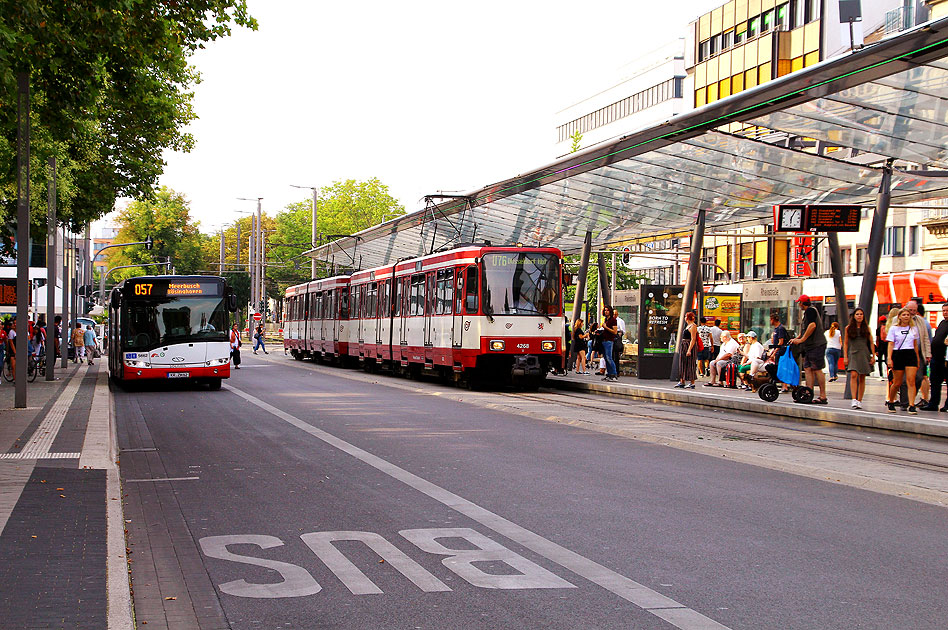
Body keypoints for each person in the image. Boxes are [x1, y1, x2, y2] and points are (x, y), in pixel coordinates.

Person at [789, 295, 828, 404]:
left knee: (817, 368)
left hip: (816, 344)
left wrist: (802, 340)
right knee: (807, 368)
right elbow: (805, 329)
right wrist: (797, 338)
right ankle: (808, 393)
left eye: (799, 303)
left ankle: (823, 396)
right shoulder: (808, 313)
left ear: (802, 303)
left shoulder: (810, 311)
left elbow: (812, 326)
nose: (799, 305)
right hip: (810, 346)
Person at [886, 308, 921, 414]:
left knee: (911, 381)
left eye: (908, 315)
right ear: (899, 317)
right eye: (904, 315)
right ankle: (891, 400)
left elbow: (915, 344)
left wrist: (917, 358)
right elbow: (891, 344)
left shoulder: (913, 328)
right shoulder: (894, 329)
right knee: (897, 382)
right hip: (898, 353)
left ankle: (911, 405)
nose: (906, 316)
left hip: (910, 354)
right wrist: (889, 357)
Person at [842, 308, 874, 409]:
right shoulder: (848, 328)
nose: (859, 316)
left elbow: (871, 342)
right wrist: (845, 356)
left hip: (864, 353)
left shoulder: (867, 328)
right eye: (857, 314)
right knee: (853, 374)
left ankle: (860, 399)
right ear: (854, 316)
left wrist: (873, 355)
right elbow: (846, 343)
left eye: (861, 314)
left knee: (862, 376)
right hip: (853, 353)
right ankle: (854, 399)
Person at [920, 303, 948, 412]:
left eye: (947, 311)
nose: (945, 313)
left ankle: (947, 405)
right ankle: (933, 403)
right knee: (935, 381)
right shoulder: (942, 323)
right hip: (936, 357)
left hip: (945, 358)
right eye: (944, 311)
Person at [905, 299, 932, 407]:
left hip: (918, 354)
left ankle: (910, 398)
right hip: (903, 354)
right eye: (910, 310)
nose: (912, 312)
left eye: (914, 310)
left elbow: (926, 338)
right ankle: (905, 401)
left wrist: (928, 354)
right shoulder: (898, 320)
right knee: (902, 380)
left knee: (919, 377)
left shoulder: (921, 321)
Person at [675, 311, 698, 389]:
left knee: (690, 364)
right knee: (683, 363)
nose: (684, 318)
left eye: (685, 316)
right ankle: (682, 381)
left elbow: (693, 339)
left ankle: (692, 382)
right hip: (684, 345)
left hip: (688, 346)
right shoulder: (688, 326)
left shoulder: (693, 326)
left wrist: (689, 350)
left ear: (687, 318)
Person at [768, 312, 790, 392]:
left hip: (781, 352)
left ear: (773, 319)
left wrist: (774, 352)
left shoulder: (780, 328)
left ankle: (785, 386)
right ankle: (782, 385)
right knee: (778, 368)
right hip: (777, 351)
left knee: (782, 368)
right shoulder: (776, 329)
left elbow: (781, 342)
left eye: (770, 319)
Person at [600, 306, 619, 382]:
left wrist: (605, 327)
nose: (606, 312)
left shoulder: (613, 320)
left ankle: (614, 374)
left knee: (609, 358)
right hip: (604, 340)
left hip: (609, 341)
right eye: (605, 310)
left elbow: (615, 331)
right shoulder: (606, 319)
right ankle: (609, 374)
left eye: (607, 310)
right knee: (606, 358)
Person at [612, 307, 625, 371]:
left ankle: (616, 371)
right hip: (611, 339)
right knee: (611, 356)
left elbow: (623, 331)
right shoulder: (610, 320)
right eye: (613, 314)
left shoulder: (620, 321)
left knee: (616, 356)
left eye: (615, 314)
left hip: (616, 340)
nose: (614, 315)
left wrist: (619, 333)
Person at [876, 315, 888, 380]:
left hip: (880, 346)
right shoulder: (888, 328)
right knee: (887, 360)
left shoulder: (878, 329)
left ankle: (881, 375)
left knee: (880, 360)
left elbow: (877, 339)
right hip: (887, 346)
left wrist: (877, 349)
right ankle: (889, 372)